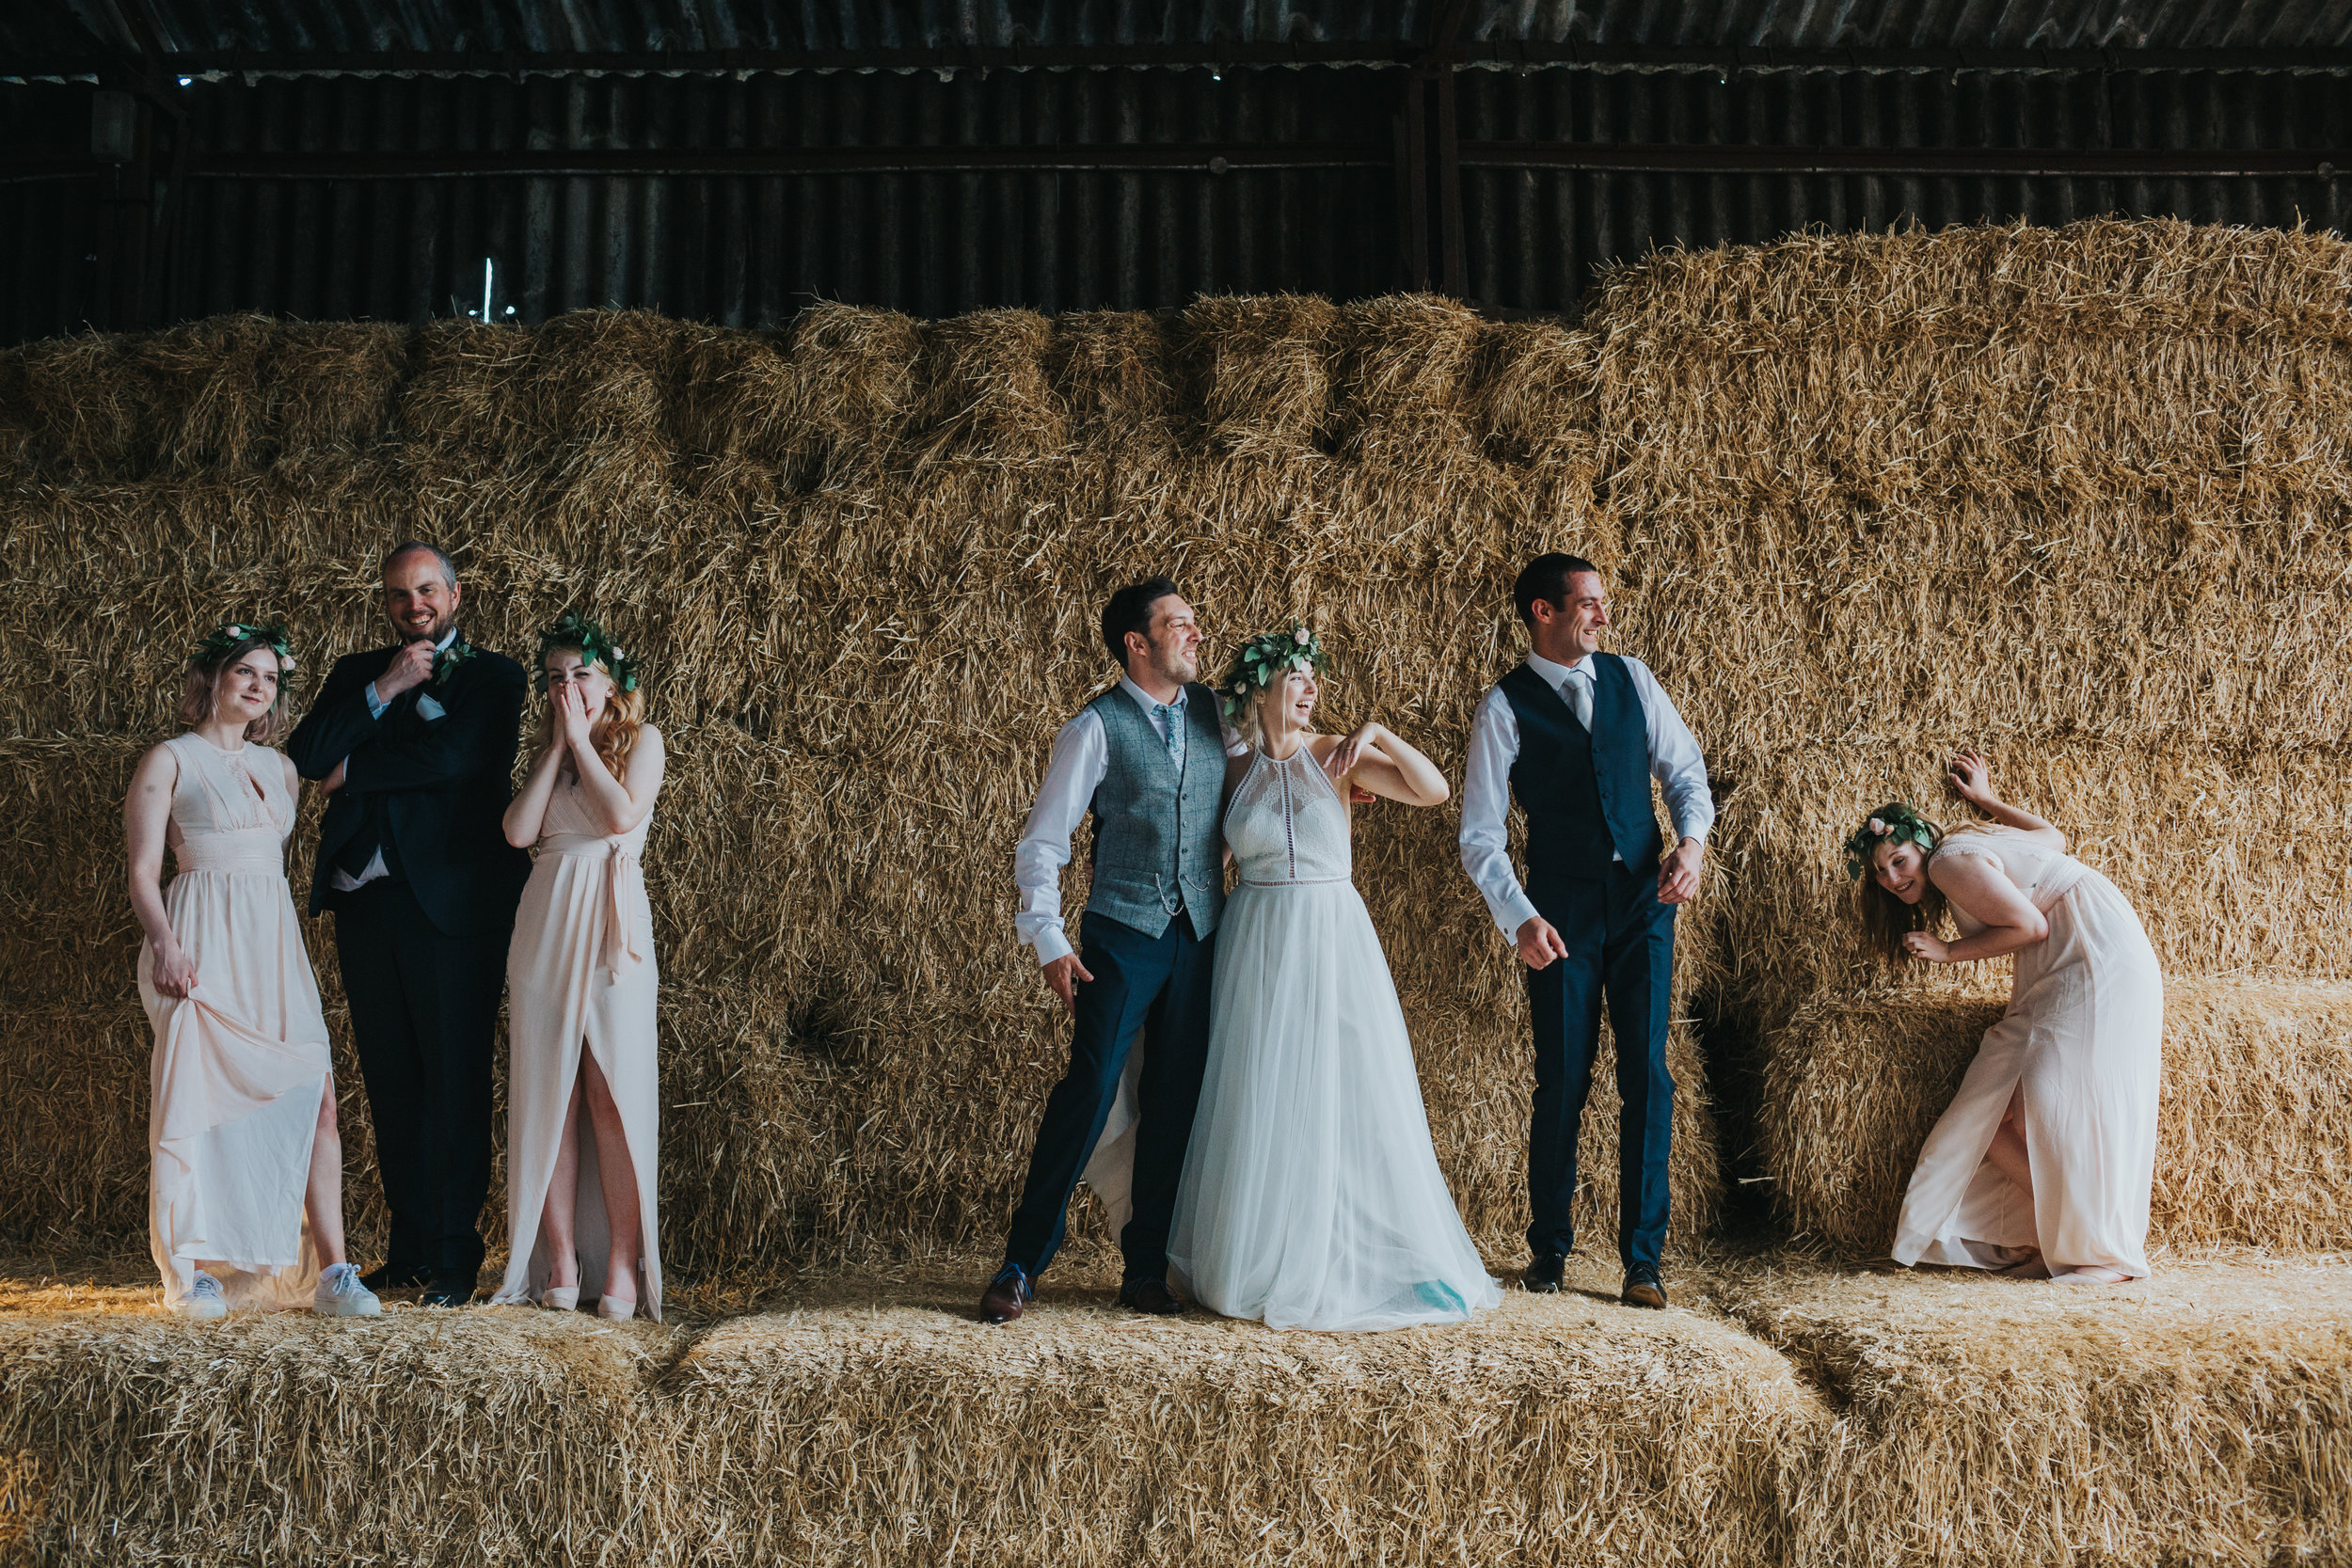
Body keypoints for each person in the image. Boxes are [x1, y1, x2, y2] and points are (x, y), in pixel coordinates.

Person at [1166, 628, 1501, 1330]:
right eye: (1296, 676)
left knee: (1343, 1085)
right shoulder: (1236, 770)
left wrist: (1374, 730)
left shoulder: (1337, 756)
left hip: (1328, 932)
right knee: (1262, 1089)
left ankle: (1343, 1249)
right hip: (1255, 939)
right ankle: (1261, 1251)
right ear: (1261, 688)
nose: (1311, 688)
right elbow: (1210, 857)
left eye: (1314, 677)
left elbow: (1434, 790)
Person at [980, 578, 1241, 1324]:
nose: (1196, 634)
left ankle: (1145, 1268)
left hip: (1200, 936)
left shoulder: (1216, 713)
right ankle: (1022, 1262)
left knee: (1174, 1100)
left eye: (1195, 622)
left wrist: (1331, 779)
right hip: (1123, 937)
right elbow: (1042, 843)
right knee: (1090, 1090)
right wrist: (1049, 938)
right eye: (1180, 624)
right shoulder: (1094, 727)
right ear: (1138, 642)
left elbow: (1277, 766)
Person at [1458, 553, 1713, 1310]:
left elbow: (1687, 774)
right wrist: (1520, 918)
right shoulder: (1503, 706)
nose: (1603, 614)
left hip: (1643, 902)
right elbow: (1479, 835)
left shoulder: (1634, 678)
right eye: (1589, 603)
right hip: (1559, 915)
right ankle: (1549, 1252)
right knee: (1562, 1080)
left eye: (1602, 602)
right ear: (1543, 611)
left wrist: (1691, 844)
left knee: (1648, 1074)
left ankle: (1644, 1263)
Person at [286, 542, 531, 1308]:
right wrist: (384, 691)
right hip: (366, 901)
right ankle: (410, 1250)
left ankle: (458, 1259)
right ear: (387, 603)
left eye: (426, 589)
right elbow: (306, 753)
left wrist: (357, 770)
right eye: (398, 594)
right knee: (391, 1082)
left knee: (454, 1081)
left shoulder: (496, 676)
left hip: (454, 906)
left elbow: (458, 760)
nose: (413, 604)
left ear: (454, 595)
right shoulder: (360, 671)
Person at [126, 622, 380, 1320]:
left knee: (316, 1095)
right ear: (214, 678)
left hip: (271, 946)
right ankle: (194, 1270)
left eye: (270, 678)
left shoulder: (281, 770)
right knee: (197, 1101)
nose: (258, 686)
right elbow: (143, 873)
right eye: (246, 671)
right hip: (200, 936)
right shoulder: (168, 759)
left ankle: (333, 1271)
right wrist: (166, 943)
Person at [1856, 752, 2163, 1284]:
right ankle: (2063, 1239)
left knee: (2049, 1109)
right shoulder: (1963, 848)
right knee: (2001, 1113)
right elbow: (2053, 836)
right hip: (2076, 957)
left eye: (1899, 860)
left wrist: (1950, 950)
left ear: (1922, 844)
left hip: (2088, 958)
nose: (1891, 877)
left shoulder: (1950, 860)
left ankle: (2104, 1254)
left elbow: (2029, 927)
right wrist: (1985, 800)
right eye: (1881, 872)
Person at [490, 614, 667, 1323]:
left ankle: (622, 1258)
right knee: (551, 1092)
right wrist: (555, 748)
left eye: (581, 675)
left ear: (612, 683)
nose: (568, 688)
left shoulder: (641, 744)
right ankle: (560, 1256)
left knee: (608, 1091)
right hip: (547, 922)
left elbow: (622, 815)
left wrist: (582, 745)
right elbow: (518, 831)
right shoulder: (551, 754)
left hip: (611, 927)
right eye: (557, 678)